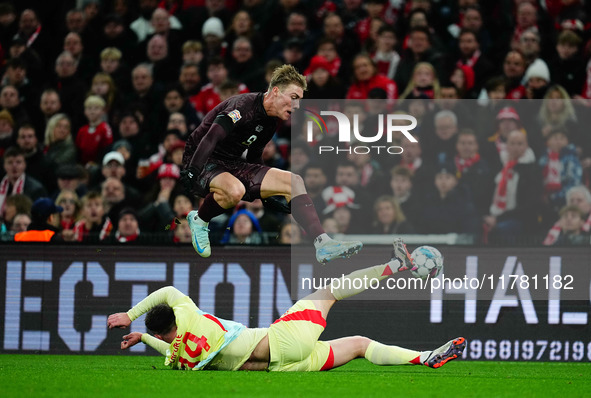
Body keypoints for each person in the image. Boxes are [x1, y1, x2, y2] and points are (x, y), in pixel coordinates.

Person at [107, 240, 465, 371]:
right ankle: (395, 266)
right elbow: (168, 290)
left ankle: (425, 357)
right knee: (329, 292)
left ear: (161, 335)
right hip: (284, 339)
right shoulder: (189, 315)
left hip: (286, 366)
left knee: (358, 345)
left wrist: (143, 338)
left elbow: (165, 346)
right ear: (175, 317)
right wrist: (129, 316)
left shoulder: (181, 356)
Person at [180, 65, 363, 264]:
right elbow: (210, 138)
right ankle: (199, 219)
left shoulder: (271, 121)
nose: (297, 106)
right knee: (235, 190)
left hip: (231, 162)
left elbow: (255, 156)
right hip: (202, 157)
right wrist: (193, 170)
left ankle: (323, 243)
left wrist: (264, 192)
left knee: (294, 181)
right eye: (294, 97)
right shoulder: (242, 106)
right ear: (275, 91)